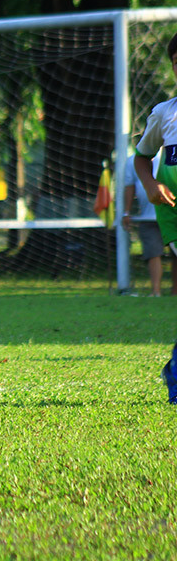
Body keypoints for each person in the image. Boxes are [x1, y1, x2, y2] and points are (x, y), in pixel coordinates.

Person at [134, 31, 177, 404]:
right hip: (173, 210)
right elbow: (142, 156)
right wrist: (150, 185)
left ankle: (175, 369)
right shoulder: (165, 113)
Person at [123, 153, 176, 297]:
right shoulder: (133, 161)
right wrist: (126, 212)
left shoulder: (171, 154)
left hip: (172, 214)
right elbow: (129, 187)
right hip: (148, 217)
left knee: (175, 253)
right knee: (153, 253)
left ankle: (175, 292)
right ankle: (156, 291)